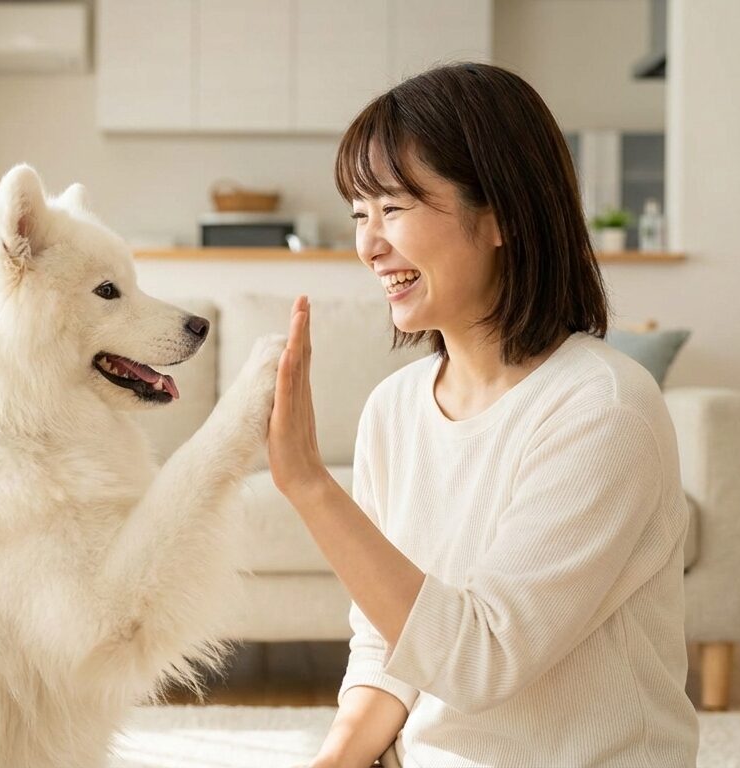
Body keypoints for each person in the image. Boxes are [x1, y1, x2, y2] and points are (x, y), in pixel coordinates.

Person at [265, 63, 700, 768]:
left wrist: (310, 486)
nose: (370, 244)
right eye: (359, 214)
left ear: (500, 214)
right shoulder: (394, 409)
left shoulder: (602, 410)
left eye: (395, 208)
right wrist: (337, 759)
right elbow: (388, 646)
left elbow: (481, 660)